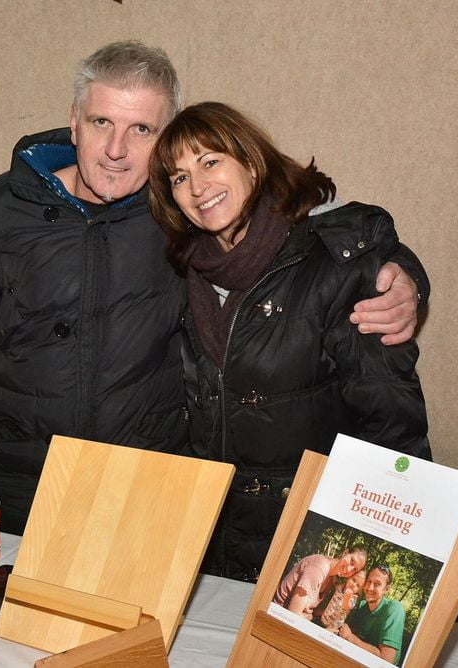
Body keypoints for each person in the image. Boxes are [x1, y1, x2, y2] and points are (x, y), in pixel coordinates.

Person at [0, 41, 426, 536]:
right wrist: (16, 412)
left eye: (141, 129)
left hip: (149, 480)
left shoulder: (182, 214)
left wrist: (401, 274)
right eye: (102, 122)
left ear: (164, 140)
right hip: (23, 477)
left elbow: (310, 221)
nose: (117, 149)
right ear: (74, 121)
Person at [148, 102, 432, 580]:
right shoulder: (184, 270)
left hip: (309, 539)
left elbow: (390, 418)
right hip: (211, 540)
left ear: (251, 161)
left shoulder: (332, 262)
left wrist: (386, 550)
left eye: (210, 161)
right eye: (179, 177)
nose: (197, 187)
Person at [273, 547, 368, 619]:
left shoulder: (332, 578)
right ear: (345, 552)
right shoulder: (319, 568)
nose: (349, 569)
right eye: (352, 561)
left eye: (354, 569)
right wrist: (309, 618)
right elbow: (293, 614)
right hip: (278, 616)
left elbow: (310, 608)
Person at [339, 565, 406, 664]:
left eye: (377, 584)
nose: (370, 588)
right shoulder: (362, 606)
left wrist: (350, 637)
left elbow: (386, 660)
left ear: (386, 589)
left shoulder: (394, 609)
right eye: (369, 581)